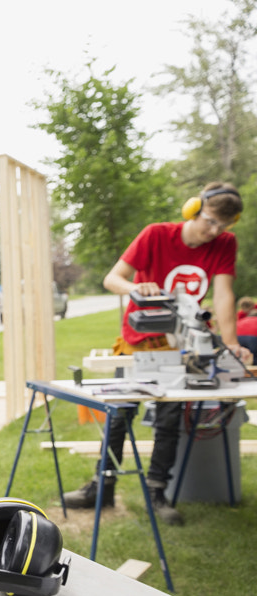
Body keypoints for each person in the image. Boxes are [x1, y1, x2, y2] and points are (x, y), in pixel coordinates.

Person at [63, 182, 253, 525]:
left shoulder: (225, 243)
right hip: (139, 339)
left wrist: (231, 343)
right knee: (120, 413)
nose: (214, 232)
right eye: (209, 221)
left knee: (168, 419)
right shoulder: (155, 235)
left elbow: (224, 294)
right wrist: (137, 287)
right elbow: (112, 278)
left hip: (182, 344)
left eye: (222, 227)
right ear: (193, 209)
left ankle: (156, 492)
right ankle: (100, 487)